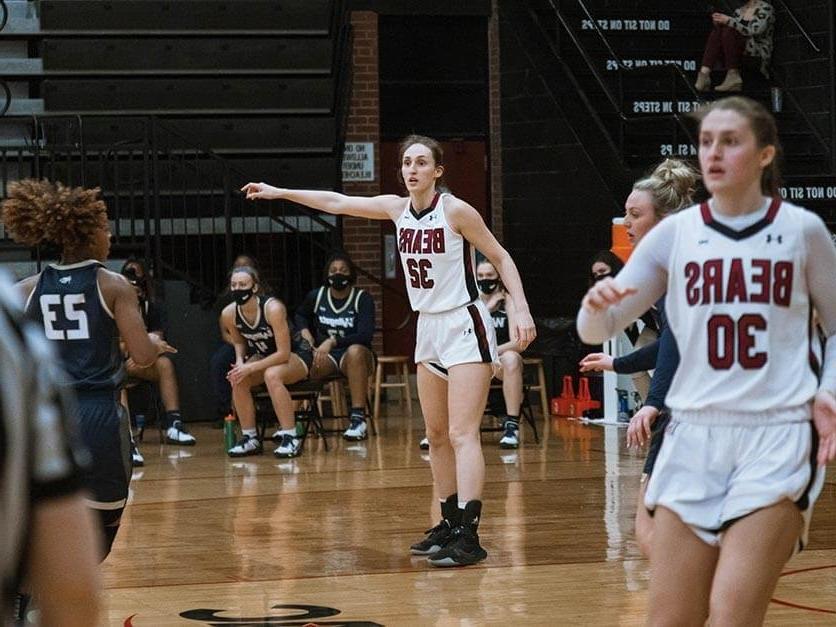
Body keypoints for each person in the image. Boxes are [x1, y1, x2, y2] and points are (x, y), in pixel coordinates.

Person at [577, 96, 836, 625]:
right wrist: (594, 310)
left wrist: (829, 389)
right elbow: (594, 328)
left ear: (765, 154)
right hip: (692, 435)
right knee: (671, 618)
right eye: (706, 142)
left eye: (731, 141)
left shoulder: (803, 232)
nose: (714, 153)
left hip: (776, 434)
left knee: (732, 613)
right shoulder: (675, 235)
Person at [242, 133, 536, 567]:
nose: (412, 169)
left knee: (461, 433)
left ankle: (470, 535)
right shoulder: (397, 209)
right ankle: (449, 521)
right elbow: (337, 202)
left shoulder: (456, 211)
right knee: (435, 435)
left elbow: (502, 257)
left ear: (438, 171)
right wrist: (280, 192)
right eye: (406, 163)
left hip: (463, 321)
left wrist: (522, 310)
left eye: (421, 163)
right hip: (429, 326)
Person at [2, 179, 175, 562]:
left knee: (47, 511)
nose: (110, 235)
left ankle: (34, 598)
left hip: (47, 414)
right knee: (106, 517)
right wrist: (154, 344)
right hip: (97, 413)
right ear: (89, 232)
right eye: (105, 227)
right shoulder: (113, 285)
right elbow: (145, 357)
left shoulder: (27, 287)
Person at [579, 159, 699, 557]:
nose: (627, 223)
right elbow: (670, 341)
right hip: (693, 402)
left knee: (650, 526)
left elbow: (677, 343)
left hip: (700, 404)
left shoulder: (679, 264)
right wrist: (616, 364)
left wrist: (651, 405)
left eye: (635, 214)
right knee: (657, 526)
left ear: (663, 218)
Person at [0, 273, 102, 626]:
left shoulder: (25, 288)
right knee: (101, 525)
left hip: (67, 401)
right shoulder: (7, 312)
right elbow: (73, 591)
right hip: (89, 405)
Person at [222, 266, 313, 459]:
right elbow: (239, 341)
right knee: (238, 378)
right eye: (234, 285)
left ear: (254, 287)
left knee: (272, 375)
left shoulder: (273, 308)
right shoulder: (229, 313)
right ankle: (250, 438)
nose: (238, 289)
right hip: (264, 356)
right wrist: (240, 363)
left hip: (296, 354)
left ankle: (290, 437)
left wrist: (250, 366)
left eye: (243, 284)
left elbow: (283, 353)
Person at [295, 251, 376, 440]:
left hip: (358, 356)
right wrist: (304, 331)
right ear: (327, 275)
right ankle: (292, 422)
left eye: (343, 270)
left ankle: (358, 418)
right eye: (333, 270)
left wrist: (332, 341)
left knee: (355, 351)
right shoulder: (317, 296)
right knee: (304, 361)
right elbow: (300, 315)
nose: (337, 274)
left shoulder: (362, 299)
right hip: (328, 357)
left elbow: (365, 335)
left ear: (351, 274)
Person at [121, 258, 196, 446]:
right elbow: (113, 345)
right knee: (116, 375)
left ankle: (174, 424)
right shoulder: (114, 307)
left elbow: (156, 341)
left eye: (136, 290)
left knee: (164, 363)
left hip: (139, 360)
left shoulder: (149, 307)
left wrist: (142, 354)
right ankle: (126, 436)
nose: (133, 294)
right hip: (116, 363)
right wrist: (134, 348)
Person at [475, 259, 526, 449]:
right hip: (475, 359)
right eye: (480, 276)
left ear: (498, 277)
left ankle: (512, 426)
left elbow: (518, 342)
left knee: (512, 358)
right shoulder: (472, 300)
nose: (484, 280)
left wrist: (493, 352)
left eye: (489, 275)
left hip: (500, 359)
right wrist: (487, 309)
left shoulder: (508, 300)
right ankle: (437, 432)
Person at [209, 254, 262, 428]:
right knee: (219, 362)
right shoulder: (226, 304)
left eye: (246, 266)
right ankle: (226, 412)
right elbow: (225, 333)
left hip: (262, 344)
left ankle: (265, 411)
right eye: (238, 267)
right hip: (236, 343)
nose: (238, 287)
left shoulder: (268, 302)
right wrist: (242, 352)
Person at [695, 0, 775, 93]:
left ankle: (733, 75)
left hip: (755, 53)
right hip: (735, 53)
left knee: (729, 30)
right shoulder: (739, 11)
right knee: (719, 30)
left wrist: (729, 21)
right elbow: (732, 31)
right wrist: (720, 22)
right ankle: (704, 74)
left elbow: (754, 30)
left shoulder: (765, 8)